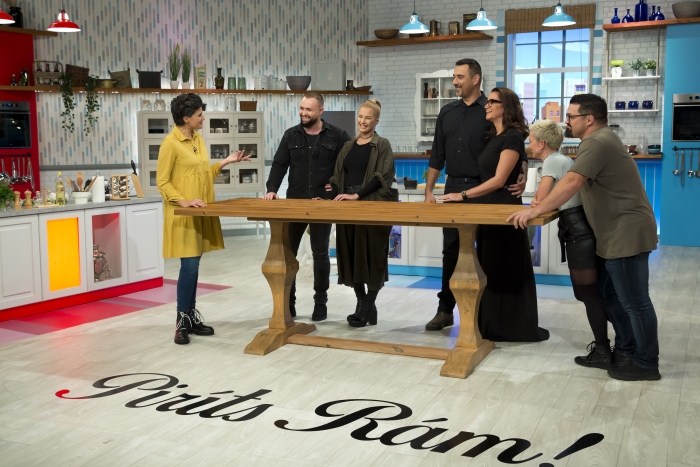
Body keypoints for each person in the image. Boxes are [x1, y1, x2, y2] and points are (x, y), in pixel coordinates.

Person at [508, 94, 660, 381]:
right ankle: (625, 351)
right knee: (610, 295)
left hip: (626, 231)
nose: (566, 121)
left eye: (571, 116)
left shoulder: (597, 141)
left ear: (589, 119)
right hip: (614, 232)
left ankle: (646, 363)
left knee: (635, 302)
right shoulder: (600, 140)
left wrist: (536, 209)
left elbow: (572, 181)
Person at [438, 87, 548, 342]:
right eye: (487, 101)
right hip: (488, 209)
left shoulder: (511, 137)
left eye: (492, 102)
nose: (486, 105)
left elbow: (499, 180)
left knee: (503, 267)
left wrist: (462, 195)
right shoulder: (494, 136)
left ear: (505, 107)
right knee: (490, 267)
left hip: (503, 210)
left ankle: (508, 327)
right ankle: (489, 324)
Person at [424, 59, 527, 331]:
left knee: (485, 251)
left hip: (484, 189)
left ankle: (484, 313)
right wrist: (429, 191)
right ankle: (445, 310)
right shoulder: (447, 112)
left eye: (460, 77)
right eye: (454, 76)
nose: (455, 82)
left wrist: (523, 170)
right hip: (452, 189)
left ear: (475, 79)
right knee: (451, 251)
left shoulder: (490, 110)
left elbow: (513, 140)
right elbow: (437, 155)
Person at [157, 93, 251, 345]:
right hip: (183, 213)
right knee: (189, 266)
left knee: (194, 265)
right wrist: (183, 201)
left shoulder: (197, 139)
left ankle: (190, 316)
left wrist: (226, 161)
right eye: (199, 114)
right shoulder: (169, 144)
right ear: (186, 117)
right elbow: (162, 182)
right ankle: (181, 322)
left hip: (200, 210)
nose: (203, 118)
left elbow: (202, 173)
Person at [529, 120, 611, 366]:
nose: (529, 145)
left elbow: (541, 198)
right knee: (590, 292)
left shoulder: (552, 161)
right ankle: (617, 345)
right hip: (580, 229)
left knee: (588, 293)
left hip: (578, 231)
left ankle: (605, 350)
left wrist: (538, 200)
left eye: (531, 140)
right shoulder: (563, 159)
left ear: (542, 143)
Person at [264, 92, 351, 321]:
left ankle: (320, 303)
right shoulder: (290, 135)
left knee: (320, 253)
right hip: (295, 203)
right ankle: (288, 303)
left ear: (320, 111)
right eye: (302, 109)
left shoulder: (337, 135)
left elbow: (350, 164)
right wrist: (272, 188)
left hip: (323, 205)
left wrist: (338, 187)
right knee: (289, 254)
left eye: (308, 110)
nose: (303, 113)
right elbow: (279, 164)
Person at [324, 99, 397, 327]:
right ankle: (363, 305)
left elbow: (383, 176)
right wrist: (329, 197)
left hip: (372, 205)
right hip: (348, 208)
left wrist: (357, 195)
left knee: (374, 256)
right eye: (360, 116)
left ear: (376, 121)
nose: (363, 121)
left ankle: (367, 306)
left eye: (368, 118)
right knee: (351, 255)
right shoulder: (348, 146)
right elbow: (337, 178)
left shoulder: (382, 145)